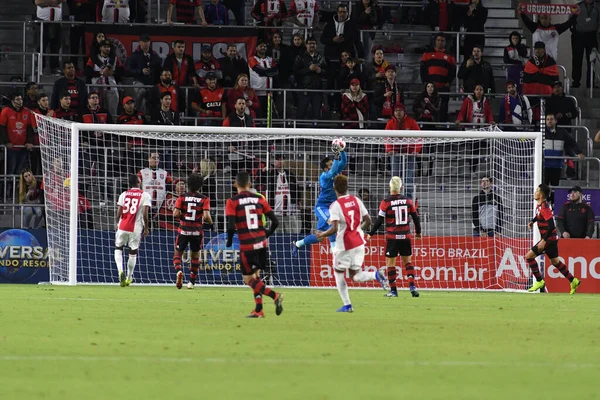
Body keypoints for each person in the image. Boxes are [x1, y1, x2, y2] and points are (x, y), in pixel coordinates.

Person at [316, 175, 389, 312]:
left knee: (338, 272)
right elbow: (368, 221)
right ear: (347, 187)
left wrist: (322, 234)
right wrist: (358, 231)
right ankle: (376, 275)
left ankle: (347, 304)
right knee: (355, 275)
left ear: (334, 189)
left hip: (344, 244)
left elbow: (334, 228)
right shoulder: (356, 200)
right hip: (359, 242)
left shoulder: (335, 206)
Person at [225, 171, 283, 318]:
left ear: (235, 184)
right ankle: (259, 309)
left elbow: (231, 226)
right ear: (250, 184)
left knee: (248, 279)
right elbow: (275, 222)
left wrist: (230, 240)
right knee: (256, 276)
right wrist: (267, 234)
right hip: (262, 243)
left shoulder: (232, 202)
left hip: (247, 245)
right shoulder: (259, 199)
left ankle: (275, 295)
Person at [367, 176, 421, 297]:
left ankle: (393, 291)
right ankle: (412, 287)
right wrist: (418, 232)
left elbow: (379, 220)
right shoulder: (408, 201)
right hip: (406, 236)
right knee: (408, 262)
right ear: (401, 187)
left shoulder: (385, 202)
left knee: (390, 264)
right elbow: (416, 218)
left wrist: (371, 233)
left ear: (390, 187)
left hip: (392, 238)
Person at [291, 143, 348, 255]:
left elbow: (344, 162)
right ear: (326, 168)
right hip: (322, 207)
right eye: (331, 164)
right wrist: (336, 156)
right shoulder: (324, 177)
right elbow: (333, 171)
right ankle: (334, 247)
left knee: (320, 236)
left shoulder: (334, 171)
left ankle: (298, 244)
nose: (333, 165)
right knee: (333, 222)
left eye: (333, 163)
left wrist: (341, 151)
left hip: (333, 207)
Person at [526, 184, 580, 294]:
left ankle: (539, 281)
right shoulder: (541, 205)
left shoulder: (544, 207)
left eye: (537, 190)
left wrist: (543, 241)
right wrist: (533, 221)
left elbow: (551, 225)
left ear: (541, 195)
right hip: (552, 238)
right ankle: (573, 280)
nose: (535, 192)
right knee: (555, 262)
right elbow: (539, 215)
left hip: (549, 239)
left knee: (529, 257)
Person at [173, 174, 213, 290]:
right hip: (197, 232)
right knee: (195, 256)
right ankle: (191, 282)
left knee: (178, 254)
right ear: (200, 185)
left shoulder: (182, 197)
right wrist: (211, 223)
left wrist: (183, 215)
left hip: (183, 230)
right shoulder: (204, 199)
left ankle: (179, 271)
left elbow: (175, 213)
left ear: (188, 184)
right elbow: (206, 216)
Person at [115, 174, 151, 287]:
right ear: (139, 182)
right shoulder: (145, 195)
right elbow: (145, 214)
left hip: (122, 225)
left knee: (118, 248)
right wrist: (147, 227)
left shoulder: (123, 194)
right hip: (136, 227)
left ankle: (120, 271)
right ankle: (129, 277)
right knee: (133, 252)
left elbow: (119, 211)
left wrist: (117, 222)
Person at [384, 104, 421, 199]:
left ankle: (408, 198)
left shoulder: (411, 122)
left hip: (409, 153)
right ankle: (393, 197)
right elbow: (386, 137)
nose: (398, 113)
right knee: (395, 176)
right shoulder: (390, 123)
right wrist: (389, 149)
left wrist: (416, 150)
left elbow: (419, 137)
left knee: (409, 177)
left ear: (404, 111)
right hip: (395, 154)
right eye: (396, 111)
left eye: (400, 110)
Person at [420, 33, 456, 120]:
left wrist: (449, 82)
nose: (440, 42)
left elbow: (453, 70)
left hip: (443, 86)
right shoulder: (427, 53)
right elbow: (422, 69)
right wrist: (425, 82)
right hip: (430, 87)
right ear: (435, 41)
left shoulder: (450, 55)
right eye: (438, 40)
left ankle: (443, 127)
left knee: (443, 108)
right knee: (429, 107)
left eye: (442, 40)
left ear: (445, 42)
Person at [0, 93, 34, 182]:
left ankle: (16, 192)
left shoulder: (27, 111)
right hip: (11, 147)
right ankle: (7, 192)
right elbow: (2, 128)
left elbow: (29, 128)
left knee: (20, 171)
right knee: (10, 170)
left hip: (23, 147)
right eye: (17, 99)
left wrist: (30, 141)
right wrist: (6, 142)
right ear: (12, 101)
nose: (20, 101)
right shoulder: (6, 111)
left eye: (21, 99)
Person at [543, 113, 584, 186]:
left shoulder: (562, 132)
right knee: (543, 188)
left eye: (551, 119)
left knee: (554, 189)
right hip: (544, 166)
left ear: (556, 121)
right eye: (547, 119)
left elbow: (572, 142)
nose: (549, 121)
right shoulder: (542, 132)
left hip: (557, 166)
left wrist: (579, 152)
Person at [138, 151, 173, 216]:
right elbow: (136, 186)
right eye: (154, 158)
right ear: (149, 159)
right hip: (146, 204)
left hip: (160, 205)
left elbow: (170, 188)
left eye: (157, 158)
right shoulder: (142, 172)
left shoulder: (165, 173)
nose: (156, 159)